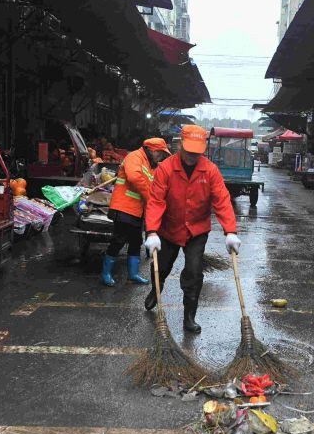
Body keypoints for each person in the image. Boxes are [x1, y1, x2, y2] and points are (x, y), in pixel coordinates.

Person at [143, 125, 240, 333]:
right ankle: (155, 289)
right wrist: (152, 232)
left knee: (194, 272)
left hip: (196, 230)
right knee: (162, 266)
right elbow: (156, 201)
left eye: (197, 152)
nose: (192, 156)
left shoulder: (210, 170)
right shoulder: (166, 168)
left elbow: (222, 200)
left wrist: (230, 231)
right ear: (180, 145)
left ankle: (189, 316)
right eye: (189, 151)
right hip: (169, 228)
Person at [101, 138, 171, 287]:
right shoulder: (134, 157)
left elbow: (154, 185)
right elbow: (135, 178)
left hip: (137, 210)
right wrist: (151, 198)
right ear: (152, 150)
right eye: (160, 154)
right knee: (118, 240)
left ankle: (133, 275)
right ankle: (106, 273)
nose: (161, 158)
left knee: (136, 241)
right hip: (123, 207)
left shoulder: (150, 164)